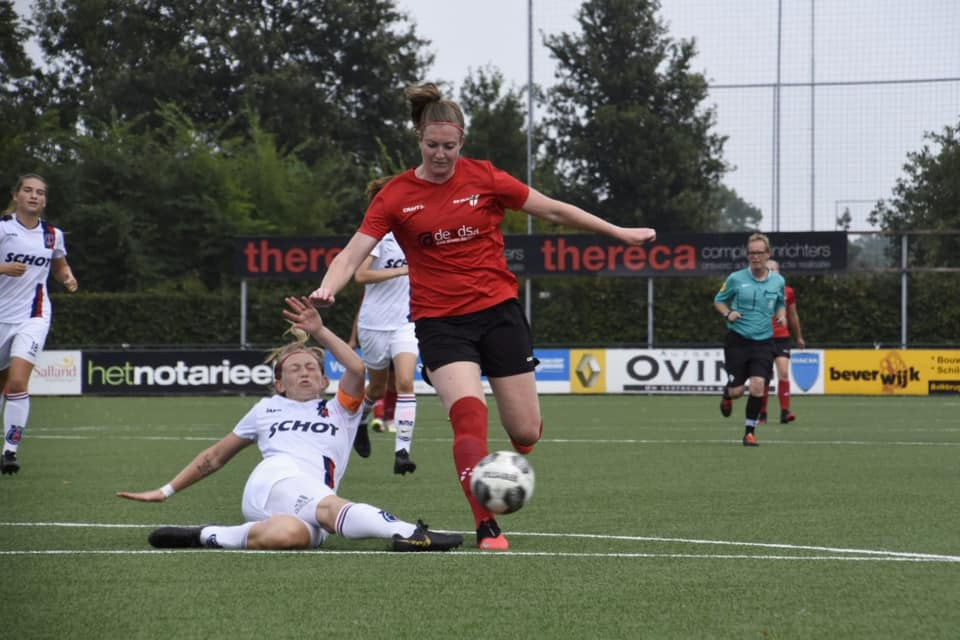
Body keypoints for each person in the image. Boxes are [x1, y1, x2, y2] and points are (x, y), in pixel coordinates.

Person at [309, 83, 657, 550]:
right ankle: (486, 525)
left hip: (499, 314)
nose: (440, 155)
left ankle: (523, 437)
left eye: (448, 147)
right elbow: (354, 252)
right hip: (440, 323)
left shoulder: (486, 178)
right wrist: (328, 285)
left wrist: (617, 231)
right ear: (418, 139)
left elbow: (552, 209)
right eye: (432, 146)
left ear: (462, 142)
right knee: (469, 418)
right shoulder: (395, 195)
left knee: (524, 430)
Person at [116, 296, 462, 552]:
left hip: (311, 500)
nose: (304, 371)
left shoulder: (341, 410)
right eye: (294, 368)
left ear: (325, 380)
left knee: (290, 537)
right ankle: (407, 533)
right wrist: (165, 491)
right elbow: (214, 457)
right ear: (279, 384)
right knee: (327, 507)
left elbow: (357, 369)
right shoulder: (266, 409)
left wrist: (320, 331)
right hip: (273, 482)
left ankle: (207, 535)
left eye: (312, 367)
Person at [0, 174, 79, 475]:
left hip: (33, 316)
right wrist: (3, 268)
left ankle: (10, 451)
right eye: (28, 191)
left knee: (17, 382)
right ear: (16, 195)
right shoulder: (3, 229)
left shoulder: (53, 235)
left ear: (45, 200)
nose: (34, 196)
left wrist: (67, 277)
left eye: (40, 193)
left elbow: (59, 265)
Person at [347, 176, 419, 475]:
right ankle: (362, 419)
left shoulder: (414, 234)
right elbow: (360, 276)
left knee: (404, 383)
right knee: (376, 388)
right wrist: (402, 269)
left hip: (405, 324)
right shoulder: (376, 237)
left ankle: (402, 452)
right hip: (374, 325)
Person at [714, 233, 786, 447]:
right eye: (751, 253)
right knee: (737, 391)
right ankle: (727, 395)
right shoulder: (736, 278)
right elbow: (719, 301)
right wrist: (728, 314)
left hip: (764, 342)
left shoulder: (778, 280)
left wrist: (781, 314)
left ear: (768, 254)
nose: (755, 257)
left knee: (758, 386)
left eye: (759, 253)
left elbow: (780, 302)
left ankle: (749, 432)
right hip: (738, 341)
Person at [760, 259, 805, 424]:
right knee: (763, 377)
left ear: (779, 272)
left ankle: (785, 412)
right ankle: (762, 414)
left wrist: (798, 336)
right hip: (762, 338)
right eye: (768, 269)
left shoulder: (788, 292)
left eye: (774, 269)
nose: (771, 271)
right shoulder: (758, 290)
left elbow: (793, 316)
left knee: (784, 373)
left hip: (782, 339)